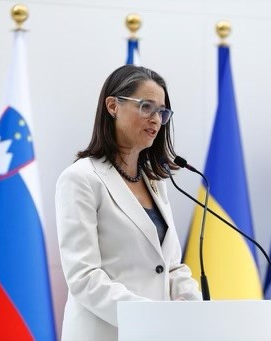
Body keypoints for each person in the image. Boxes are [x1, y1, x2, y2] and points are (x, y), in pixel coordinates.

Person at [55, 64, 202, 341]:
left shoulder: (155, 182)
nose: (156, 120)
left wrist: (195, 308)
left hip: (156, 332)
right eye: (147, 107)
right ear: (113, 106)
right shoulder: (81, 179)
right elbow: (83, 277)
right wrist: (149, 317)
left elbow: (170, 265)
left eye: (162, 112)